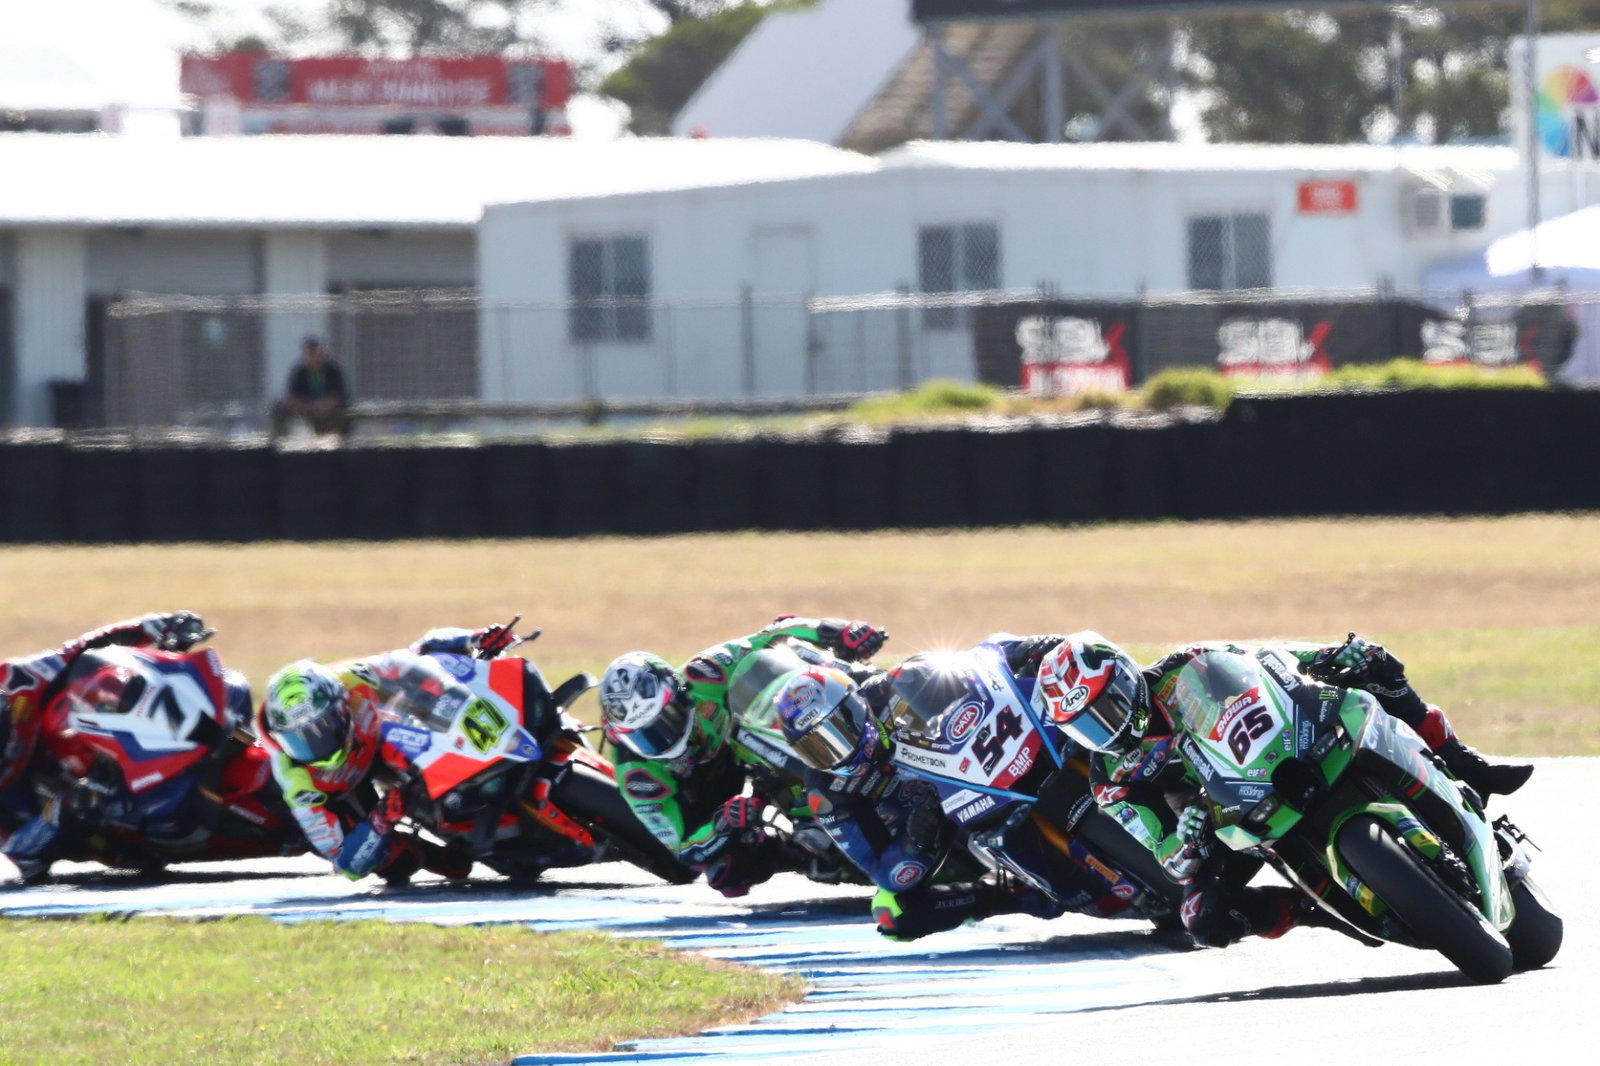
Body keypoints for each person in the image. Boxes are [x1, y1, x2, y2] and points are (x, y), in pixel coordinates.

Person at [1033, 630, 1533, 949]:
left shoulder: (1189, 664)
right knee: (1201, 918)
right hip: (1226, 819)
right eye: (1086, 727)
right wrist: (1185, 839)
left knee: (1376, 664)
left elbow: (1272, 662)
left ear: (1125, 678)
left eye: (1107, 708)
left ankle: (1465, 763)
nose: (1106, 730)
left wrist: (1330, 655)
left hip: (1283, 755)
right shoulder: (1111, 778)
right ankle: (1312, 910)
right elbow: (1162, 849)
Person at [774, 644, 1069, 941]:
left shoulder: (888, 688)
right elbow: (886, 873)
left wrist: (1026, 650)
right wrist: (916, 840)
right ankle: (1013, 894)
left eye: (837, 731)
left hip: (982, 762)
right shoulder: (826, 791)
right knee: (893, 913)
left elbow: (977, 663)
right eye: (817, 747)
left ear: (855, 707)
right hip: (938, 825)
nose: (837, 751)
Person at [597, 615, 890, 897]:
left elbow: (774, 634)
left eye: (666, 720)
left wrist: (837, 631)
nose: (662, 738)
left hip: (743, 742)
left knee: (799, 688)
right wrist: (722, 823)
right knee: (727, 873)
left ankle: (879, 704)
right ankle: (806, 855)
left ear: (680, 694)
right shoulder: (636, 773)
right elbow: (682, 846)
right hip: (709, 799)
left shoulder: (705, 672)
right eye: (643, 735)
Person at [255, 622, 519, 881]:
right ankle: (432, 851)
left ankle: (476, 772)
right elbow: (343, 862)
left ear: (341, 707)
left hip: (378, 739)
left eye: (321, 729)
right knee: (396, 861)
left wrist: (472, 639)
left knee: (431, 687)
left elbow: (417, 654)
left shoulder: (351, 677)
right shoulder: (297, 783)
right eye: (297, 740)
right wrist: (380, 820)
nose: (314, 747)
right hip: (346, 791)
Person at [1, 611, 214, 881]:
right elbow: (20, 853)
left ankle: (211, 735)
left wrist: (162, 625)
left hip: (85, 736)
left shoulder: (16, 679)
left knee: (100, 687)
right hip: (69, 803)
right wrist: (62, 810)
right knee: (104, 845)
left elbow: (81, 649)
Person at [270, 335, 350, 441]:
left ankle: (343, 441)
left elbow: (340, 395)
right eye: (310, 353)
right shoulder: (299, 372)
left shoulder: (333, 369)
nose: (314, 356)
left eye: (316, 352)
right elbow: (292, 397)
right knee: (278, 408)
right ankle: (279, 440)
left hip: (330, 410)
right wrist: (311, 406)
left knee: (345, 413)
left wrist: (324, 405)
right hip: (307, 409)